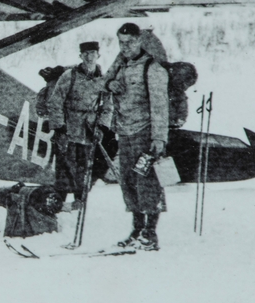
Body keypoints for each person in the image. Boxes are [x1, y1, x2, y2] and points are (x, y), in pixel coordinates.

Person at [104, 22, 169, 251]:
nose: (125, 47)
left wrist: (159, 139)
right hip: (124, 131)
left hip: (144, 133)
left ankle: (150, 234)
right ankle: (136, 230)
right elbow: (103, 81)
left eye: (130, 42)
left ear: (140, 41)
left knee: (147, 183)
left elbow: (160, 106)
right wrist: (111, 84)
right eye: (121, 43)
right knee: (128, 183)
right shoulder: (120, 64)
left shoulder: (152, 69)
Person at [45, 40, 112, 212]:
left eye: (93, 53)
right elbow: (55, 102)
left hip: (89, 130)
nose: (89, 57)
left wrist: (102, 127)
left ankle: (79, 204)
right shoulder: (70, 76)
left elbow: (107, 107)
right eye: (86, 54)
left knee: (84, 169)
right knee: (64, 168)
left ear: (98, 56)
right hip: (69, 128)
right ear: (80, 56)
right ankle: (58, 205)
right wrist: (59, 128)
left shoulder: (103, 80)